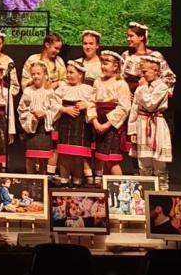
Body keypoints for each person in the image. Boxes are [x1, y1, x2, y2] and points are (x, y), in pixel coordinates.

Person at [128, 55, 173, 190]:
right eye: (142, 72)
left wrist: (142, 89)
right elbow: (134, 109)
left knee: (159, 163)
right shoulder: (141, 88)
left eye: (145, 71)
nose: (143, 75)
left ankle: (162, 192)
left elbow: (150, 105)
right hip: (141, 125)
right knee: (143, 162)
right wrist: (132, 130)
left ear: (156, 71)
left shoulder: (162, 87)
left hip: (156, 125)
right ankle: (145, 192)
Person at [86, 50, 131, 184]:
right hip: (99, 123)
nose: (103, 66)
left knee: (112, 160)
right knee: (102, 159)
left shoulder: (120, 83)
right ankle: (108, 190)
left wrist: (106, 124)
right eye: (102, 63)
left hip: (111, 126)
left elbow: (124, 107)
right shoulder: (98, 82)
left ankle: (121, 189)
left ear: (116, 66)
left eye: (106, 63)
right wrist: (94, 121)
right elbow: (91, 102)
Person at [52, 60, 93, 187]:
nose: (69, 75)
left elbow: (95, 103)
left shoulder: (88, 89)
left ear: (80, 74)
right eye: (67, 72)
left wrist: (87, 105)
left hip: (81, 124)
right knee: (64, 153)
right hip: (65, 122)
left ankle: (77, 180)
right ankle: (64, 180)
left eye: (72, 72)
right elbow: (53, 102)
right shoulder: (63, 88)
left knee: (78, 155)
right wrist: (64, 109)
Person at [18, 61, 59, 175]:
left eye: (38, 73)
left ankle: (42, 181)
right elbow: (21, 109)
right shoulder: (27, 91)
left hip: (43, 129)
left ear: (45, 74)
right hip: (32, 129)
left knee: (43, 158)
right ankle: (30, 179)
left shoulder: (49, 92)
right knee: (30, 157)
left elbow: (55, 109)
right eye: (33, 74)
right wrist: (31, 117)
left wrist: (45, 113)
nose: (36, 76)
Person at [120, 21, 176, 97]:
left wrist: (152, 87)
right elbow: (120, 76)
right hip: (129, 97)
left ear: (141, 37)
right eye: (127, 36)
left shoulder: (155, 56)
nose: (128, 39)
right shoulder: (126, 55)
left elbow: (169, 77)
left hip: (149, 97)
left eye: (131, 36)